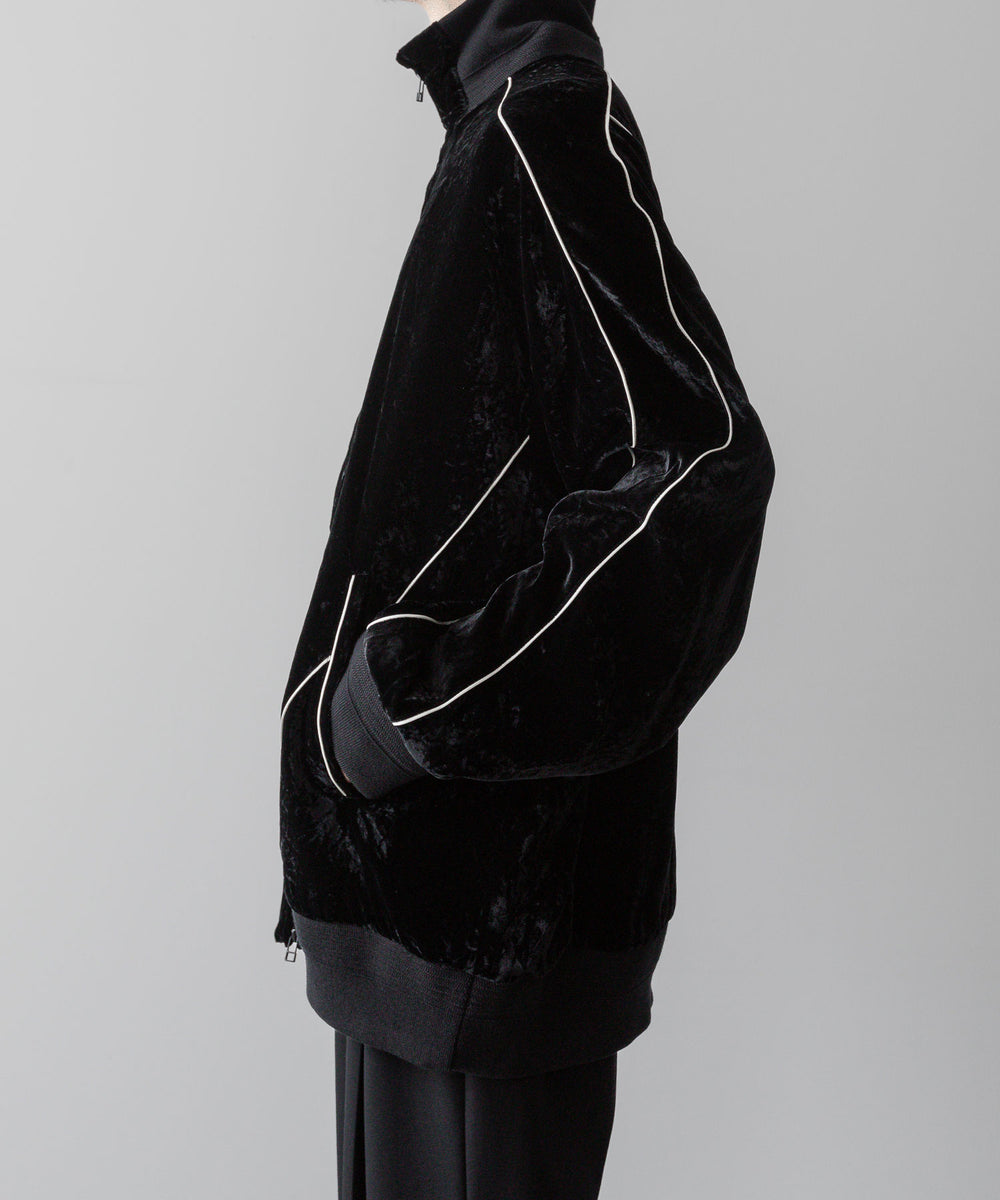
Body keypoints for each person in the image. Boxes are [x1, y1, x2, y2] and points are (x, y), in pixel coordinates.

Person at [274, 0, 776, 1195]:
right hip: (423, 915)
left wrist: (409, 707)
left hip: (481, 926)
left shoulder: (545, 121)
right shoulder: (493, 130)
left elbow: (701, 475)